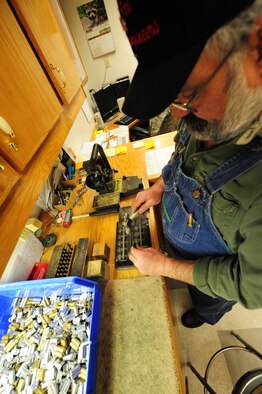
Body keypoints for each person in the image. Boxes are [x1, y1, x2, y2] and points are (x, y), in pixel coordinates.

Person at [116, 0, 262, 328]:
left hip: (210, 275)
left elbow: (251, 287)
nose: (180, 114)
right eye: (174, 98)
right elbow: (182, 157)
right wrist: (159, 187)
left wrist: (167, 267)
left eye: (188, 94)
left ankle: (205, 315)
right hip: (178, 247)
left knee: (205, 302)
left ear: (257, 43)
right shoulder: (208, 114)